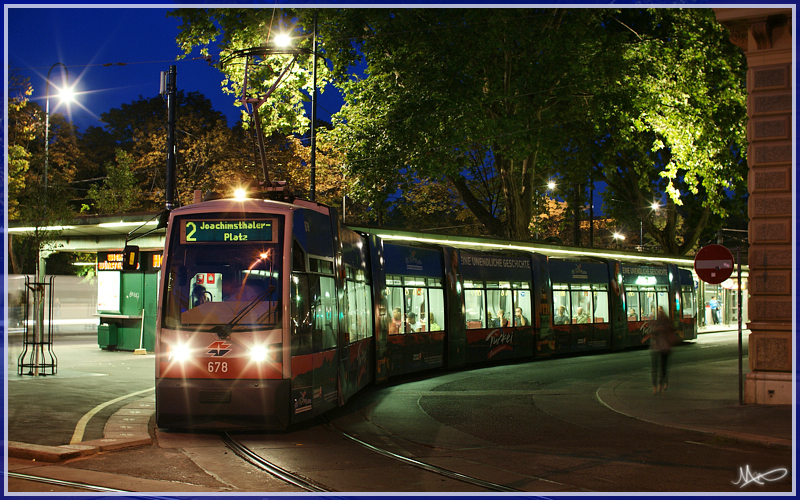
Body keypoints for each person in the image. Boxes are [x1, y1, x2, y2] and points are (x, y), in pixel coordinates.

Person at [642, 306, 674, 394]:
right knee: (663, 367)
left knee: (655, 367)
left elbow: (652, 332)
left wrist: (647, 337)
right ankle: (660, 385)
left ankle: (655, 387)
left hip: (657, 347)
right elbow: (671, 332)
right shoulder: (667, 321)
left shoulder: (656, 322)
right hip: (665, 346)